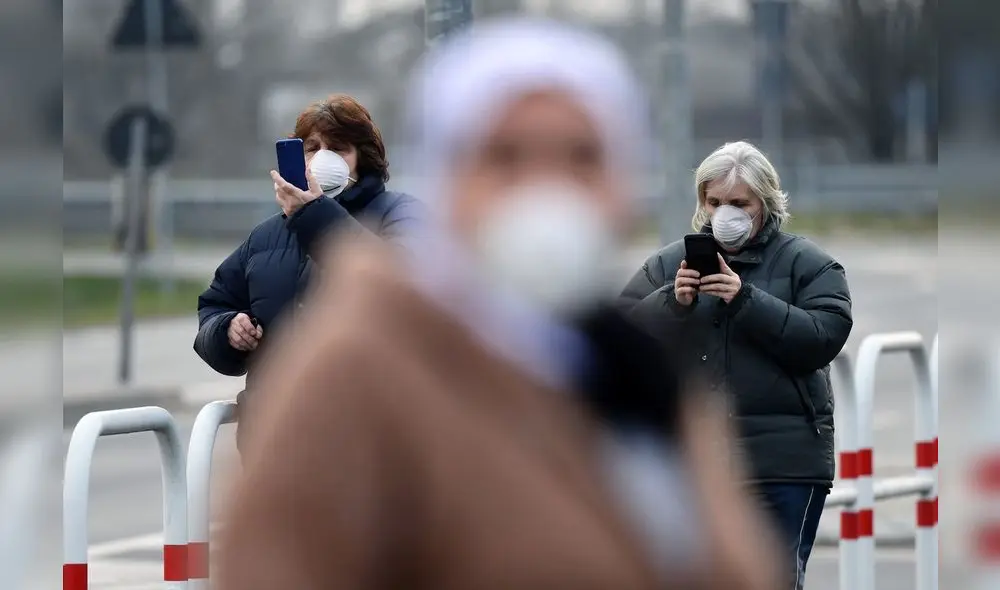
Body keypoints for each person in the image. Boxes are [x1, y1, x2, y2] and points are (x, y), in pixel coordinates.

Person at [215, 19, 782, 590]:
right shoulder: (358, 366)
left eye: (581, 156)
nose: (544, 187)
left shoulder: (635, 367)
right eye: (505, 156)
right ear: (448, 177)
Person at [621, 140, 853, 589]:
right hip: (696, 466)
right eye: (714, 202)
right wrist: (674, 301)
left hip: (783, 464)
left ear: (764, 204)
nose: (724, 213)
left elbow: (823, 336)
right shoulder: (671, 265)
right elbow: (624, 340)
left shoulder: (809, 265)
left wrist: (744, 298)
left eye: (738, 203)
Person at [193, 94, 423, 447]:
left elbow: (401, 289)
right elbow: (215, 304)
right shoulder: (268, 235)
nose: (321, 158)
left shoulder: (400, 215)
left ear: (363, 158)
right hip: (275, 444)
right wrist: (227, 331)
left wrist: (313, 216)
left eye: (338, 147)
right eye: (312, 147)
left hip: (370, 445)